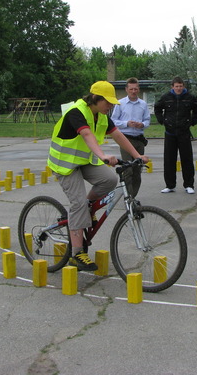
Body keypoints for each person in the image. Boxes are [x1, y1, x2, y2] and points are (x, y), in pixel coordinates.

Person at [47, 81, 150, 272]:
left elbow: (118, 135)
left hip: (84, 160)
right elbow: (86, 135)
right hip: (65, 164)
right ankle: (77, 254)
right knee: (78, 203)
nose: (110, 106)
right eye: (107, 102)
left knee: (109, 180)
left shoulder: (101, 116)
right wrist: (103, 156)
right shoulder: (77, 112)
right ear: (95, 98)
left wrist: (138, 156)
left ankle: (87, 208)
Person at [154, 76, 197, 194]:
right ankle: (170, 185)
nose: (179, 88)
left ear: (183, 86)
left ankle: (189, 185)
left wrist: (192, 122)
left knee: (187, 160)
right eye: (176, 86)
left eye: (180, 86)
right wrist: (162, 121)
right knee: (169, 160)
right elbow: (157, 108)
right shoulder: (166, 97)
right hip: (170, 133)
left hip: (184, 133)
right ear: (172, 87)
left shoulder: (189, 97)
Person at [110, 77, 150, 198]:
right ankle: (128, 198)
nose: (133, 91)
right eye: (131, 89)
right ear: (126, 89)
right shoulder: (120, 103)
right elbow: (113, 121)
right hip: (125, 139)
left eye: (136, 89)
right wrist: (126, 123)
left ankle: (132, 197)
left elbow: (147, 120)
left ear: (139, 89)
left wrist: (142, 124)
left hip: (139, 140)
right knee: (128, 170)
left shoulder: (143, 104)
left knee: (137, 171)